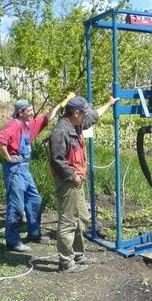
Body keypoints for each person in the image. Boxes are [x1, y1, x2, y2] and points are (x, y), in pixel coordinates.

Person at [49, 95, 119, 273]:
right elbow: (57, 159)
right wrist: (73, 176)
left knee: (81, 218)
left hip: (76, 181)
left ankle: (78, 254)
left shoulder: (76, 124)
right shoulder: (61, 131)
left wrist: (109, 103)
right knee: (68, 221)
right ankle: (65, 262)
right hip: (68, 182)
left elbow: (94, 116)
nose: (85, 116)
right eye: (83, 113)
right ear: (76, 113)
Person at [0, 99, 62, 252]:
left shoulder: (28, 125)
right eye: (29, 110)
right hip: (14, 170)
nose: (32, 112)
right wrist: (8, 158)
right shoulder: (14, 125)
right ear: (20, 112)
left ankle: (34, 233)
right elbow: (0, 141)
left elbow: (45, 118)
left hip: (25, 169)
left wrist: (60, 105)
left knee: (35, 199)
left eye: (32, 110)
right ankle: (13, 241)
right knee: (16, 205)